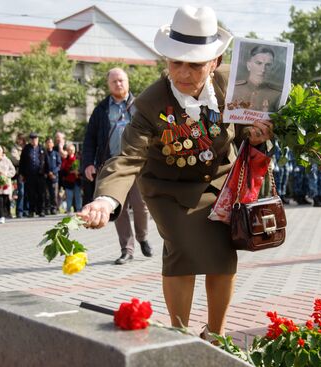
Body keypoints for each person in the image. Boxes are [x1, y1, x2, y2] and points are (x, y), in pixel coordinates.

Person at [79, 5, 273, 337]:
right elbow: (127, 157)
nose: (182, 72)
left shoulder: (238, 86)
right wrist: (107, 200)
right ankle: (179, 335)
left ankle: (215, 336)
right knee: (183, 249)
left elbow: (246, 138)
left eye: (195, 64)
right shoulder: (150, 103)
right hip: (167, 189)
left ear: (214, 63)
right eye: (175, 62)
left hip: (220, 184)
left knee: (223, 257)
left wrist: (259, 137)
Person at [82, 67, 153, 265]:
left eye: (121, 80)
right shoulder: (101, 109)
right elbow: (90, 139)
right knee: (117, 210)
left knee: (141, 206)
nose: (118, 84)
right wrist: (88, 163)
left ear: (128, 82)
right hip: (112, 166)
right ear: (108, 85)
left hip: (138, 165)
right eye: (114, 81)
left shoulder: (140, 106)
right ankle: (127, 249)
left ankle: (143, 237)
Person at [232, 45, 282, 112]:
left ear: (272, 68)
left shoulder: (277, 94)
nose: (263, 69)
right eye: (258, 63)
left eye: (268, 65)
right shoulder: (234, 89)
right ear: (249, 65)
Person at [19, 132, 46, 217]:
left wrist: (47, 172)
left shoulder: (41, 148)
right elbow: (22, 162)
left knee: (41, 193)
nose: (34, 141)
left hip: (40, 175)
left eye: (35, 139)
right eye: (32, 139)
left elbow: (46, 161)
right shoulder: (26, 149)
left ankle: (41, 210)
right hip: (30, 175)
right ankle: (31, 211)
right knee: (31, 194)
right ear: (30, 140)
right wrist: (21, 173)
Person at [60, 143, 82, 213]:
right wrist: (70, 171)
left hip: (77, 180)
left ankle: (79, 210)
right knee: (69, 197)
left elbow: (81, 169)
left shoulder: (77, 159)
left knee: (78, 196)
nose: (71, 151)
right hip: (68, 181)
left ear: (74, 150)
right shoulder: (65, 160)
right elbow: (63, 170)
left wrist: (78, 172)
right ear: (67, 151)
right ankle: (68, 210)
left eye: (72, 150)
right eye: (69, 150)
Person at [10, 133, 28, 218]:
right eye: (18, 139)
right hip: (20, 172)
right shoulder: (15, 148)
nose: (19, 140)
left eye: (20, 139)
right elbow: (15, 159)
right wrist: (25, 160)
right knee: (21, 192)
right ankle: (19, 211)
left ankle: (26, 210)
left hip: (28, 172)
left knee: (28, 192)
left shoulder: (28, 147)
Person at [44, 137, 62, 215]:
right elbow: (42, 164)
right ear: (45, 144)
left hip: (54, 177)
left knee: (54, 194)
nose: (49, 144)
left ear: (53, 144)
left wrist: (53, 173)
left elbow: (59, 165)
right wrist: (48, 172)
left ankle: (54, 208)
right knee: (46, 194)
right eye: (47, 142)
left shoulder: (56, 154)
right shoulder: (43, 154)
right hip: (46, 177)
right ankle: (47, 208)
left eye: (50, 142)